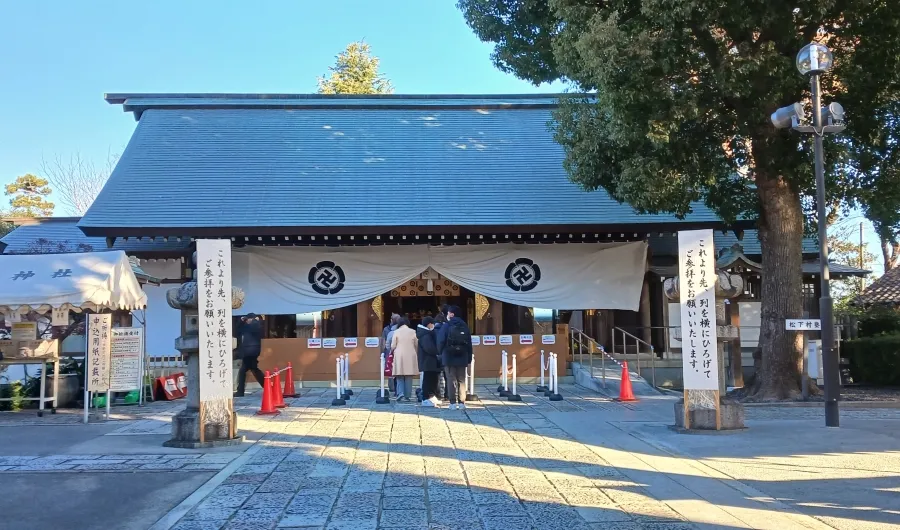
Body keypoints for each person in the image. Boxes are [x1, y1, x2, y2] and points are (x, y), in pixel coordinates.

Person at [437, 305, 473, 410]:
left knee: (451, 379)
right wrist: (469, 357)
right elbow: (469, 343)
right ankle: (462, 402)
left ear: (452, 314)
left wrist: (441, 353)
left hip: (448, 355)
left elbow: (440, 341)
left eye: (448, 313)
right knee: (461, 379)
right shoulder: (465, 325)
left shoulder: (446, 326)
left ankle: (452, 403)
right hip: (462, 355)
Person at [234, 313, 264, 397]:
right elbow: (237, 331)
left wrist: (254, 320)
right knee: (253, 370)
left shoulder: (256, 325)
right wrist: (241, 320)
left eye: (248, 319)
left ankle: (240, 391)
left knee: (244, 371)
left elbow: (254, 327)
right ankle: (268, 387)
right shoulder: (246, 326)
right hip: (248, 352)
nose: (247, 321)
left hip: (252, 351)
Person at [390, 317, 419, 401]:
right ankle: (407, 395)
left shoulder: (396, 332)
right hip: (411, 355)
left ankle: (400, 393)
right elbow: (416, 344)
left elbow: (393, 346)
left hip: (399, 355)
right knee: (409, 376)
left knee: (399, 375)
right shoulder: (413, 331)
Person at [416, 316, 441, 407]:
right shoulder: (425, 335)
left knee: (433, 380)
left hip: (431, 361)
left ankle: (432, 396)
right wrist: (438, 351)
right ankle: (425, 398)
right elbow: (429, 348)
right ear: (429, 324)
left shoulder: (427, 333)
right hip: (428, 361)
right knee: (428, 380)